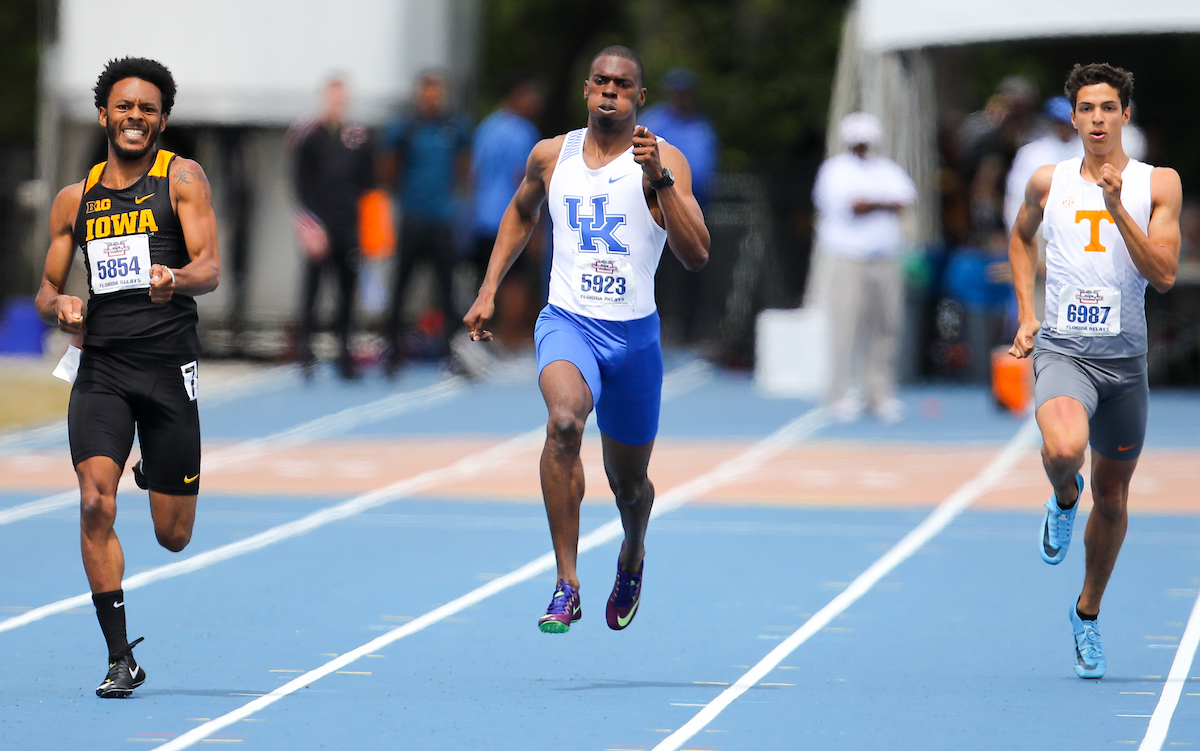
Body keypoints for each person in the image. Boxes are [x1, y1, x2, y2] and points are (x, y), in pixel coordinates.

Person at [463, 46, 709, 633]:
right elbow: (522, 213)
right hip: (568, 322)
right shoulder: (552, 156)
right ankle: (566, 582)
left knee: (629, 485)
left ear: (639, 98)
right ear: (585, 89)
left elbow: (696, 252)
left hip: (634, 338)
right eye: (600, 80)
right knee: (564, 423)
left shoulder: (662, 157)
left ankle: (632, 552)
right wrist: (489, 287)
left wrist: (661, 181)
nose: (610, 90)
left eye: (623, 84)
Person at [34, 57, 221, 697]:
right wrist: (60, 305)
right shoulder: (75, 197)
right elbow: (46, 289)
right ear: (104, 115)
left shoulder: (182, 179)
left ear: (161, 119)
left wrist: (175, 278)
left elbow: (210, 268)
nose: (134, 117)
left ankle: (153, 469)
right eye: (124, 107)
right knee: (93, 501)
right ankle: (120, 657)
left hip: (169, 367)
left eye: (147, 109)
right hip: (103, 369)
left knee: (173, 536)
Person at [1008, 64, 1181, 679]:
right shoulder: (1046, 181)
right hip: (1065, 353)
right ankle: (1061, 495)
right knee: (1064, 448)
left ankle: (1086, 612)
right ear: (1073, 118)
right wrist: (1028, 313)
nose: (1099, 118)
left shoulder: (1156, 183)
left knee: (1112, 497)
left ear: (1125, 116)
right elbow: (1021, 237)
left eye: (1110, 107)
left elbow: (1162, 273)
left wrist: (1116, 207)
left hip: (1125, 364)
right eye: (1088, 108)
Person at [812, 112, 917, 423]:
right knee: (844, 326)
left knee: (885, 326)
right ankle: (838, 393)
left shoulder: (885, 169)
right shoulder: (835, 170)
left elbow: (906, 198)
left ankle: (878, 393)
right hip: (849, 257)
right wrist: (882, 203)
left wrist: (873, 202)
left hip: (884, 257)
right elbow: (851, 206)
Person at [382, 72, 472, 373]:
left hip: (442, 218)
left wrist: (456, 198)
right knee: (401, 286)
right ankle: (392, 350)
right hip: (413, 217)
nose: (432, 98)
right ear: (420, 95)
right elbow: (390, 164)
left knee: (446, 288)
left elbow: (463, 163)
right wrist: (402, 196)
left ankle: (448, 350)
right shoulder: (406, 127)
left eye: (437, 93)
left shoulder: (454, 126)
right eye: (427, 92)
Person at [290, 77, 375, 380]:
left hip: (347, 226)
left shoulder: (358, 137)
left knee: (346, 294)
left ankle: (345, 357)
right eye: (333, 97)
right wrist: (310, 227)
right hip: (319, 226)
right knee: (312, 292)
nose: (338, 103)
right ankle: (305, 355)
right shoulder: (309, 136)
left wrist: (369, 230)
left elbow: (368, 186)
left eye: (342, 98)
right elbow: (299, 184)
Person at [639, 68, 719, 341]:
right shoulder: (654, 121)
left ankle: (690, 327)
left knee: (693, 267)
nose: (681, 97)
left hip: (696, 205)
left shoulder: (701, 125)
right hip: (659, 205)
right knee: (659, 268)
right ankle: (657, 322)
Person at [469, 77, 543, 347]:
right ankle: (508, 342)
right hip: (511, 219)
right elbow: (524, 180)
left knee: (487, 281)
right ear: (516, 95)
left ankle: (483, 340)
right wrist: (537, 229)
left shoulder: (485, 128)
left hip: (482, 217)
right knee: (515, 282)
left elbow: (473, 173)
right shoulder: (523, 132)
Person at [1003, 97, 1084, 231]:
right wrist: (1018, 231)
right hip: (1040, 229)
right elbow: (1016, 195)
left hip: (1079, 230)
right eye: (1060, 123)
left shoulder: (1088, 152)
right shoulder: (1031, 153)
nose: (1064, 128)